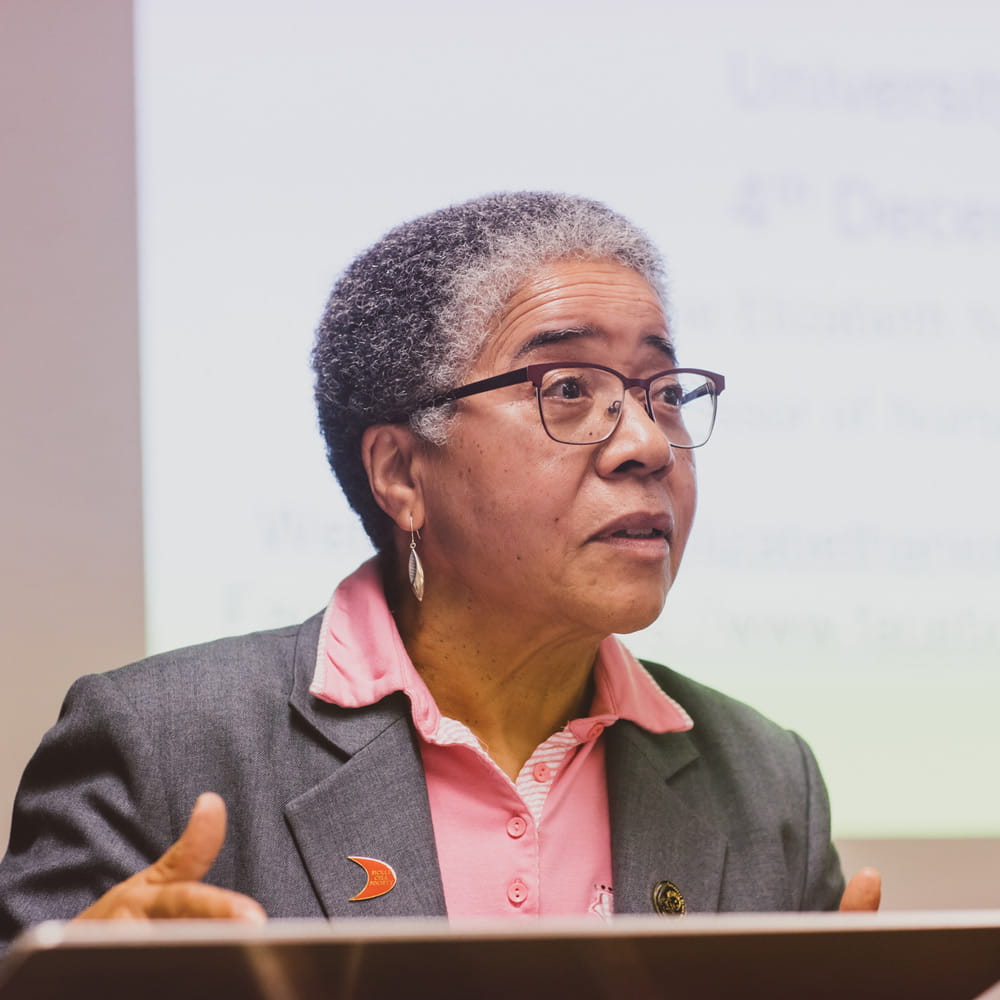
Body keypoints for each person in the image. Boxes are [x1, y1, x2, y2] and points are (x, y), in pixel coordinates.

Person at [0, 192, 879, 946]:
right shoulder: (159, 745)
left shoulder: (765, 781)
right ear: (400, 474)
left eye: (665, 393)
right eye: (568, 388)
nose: (649, 445)